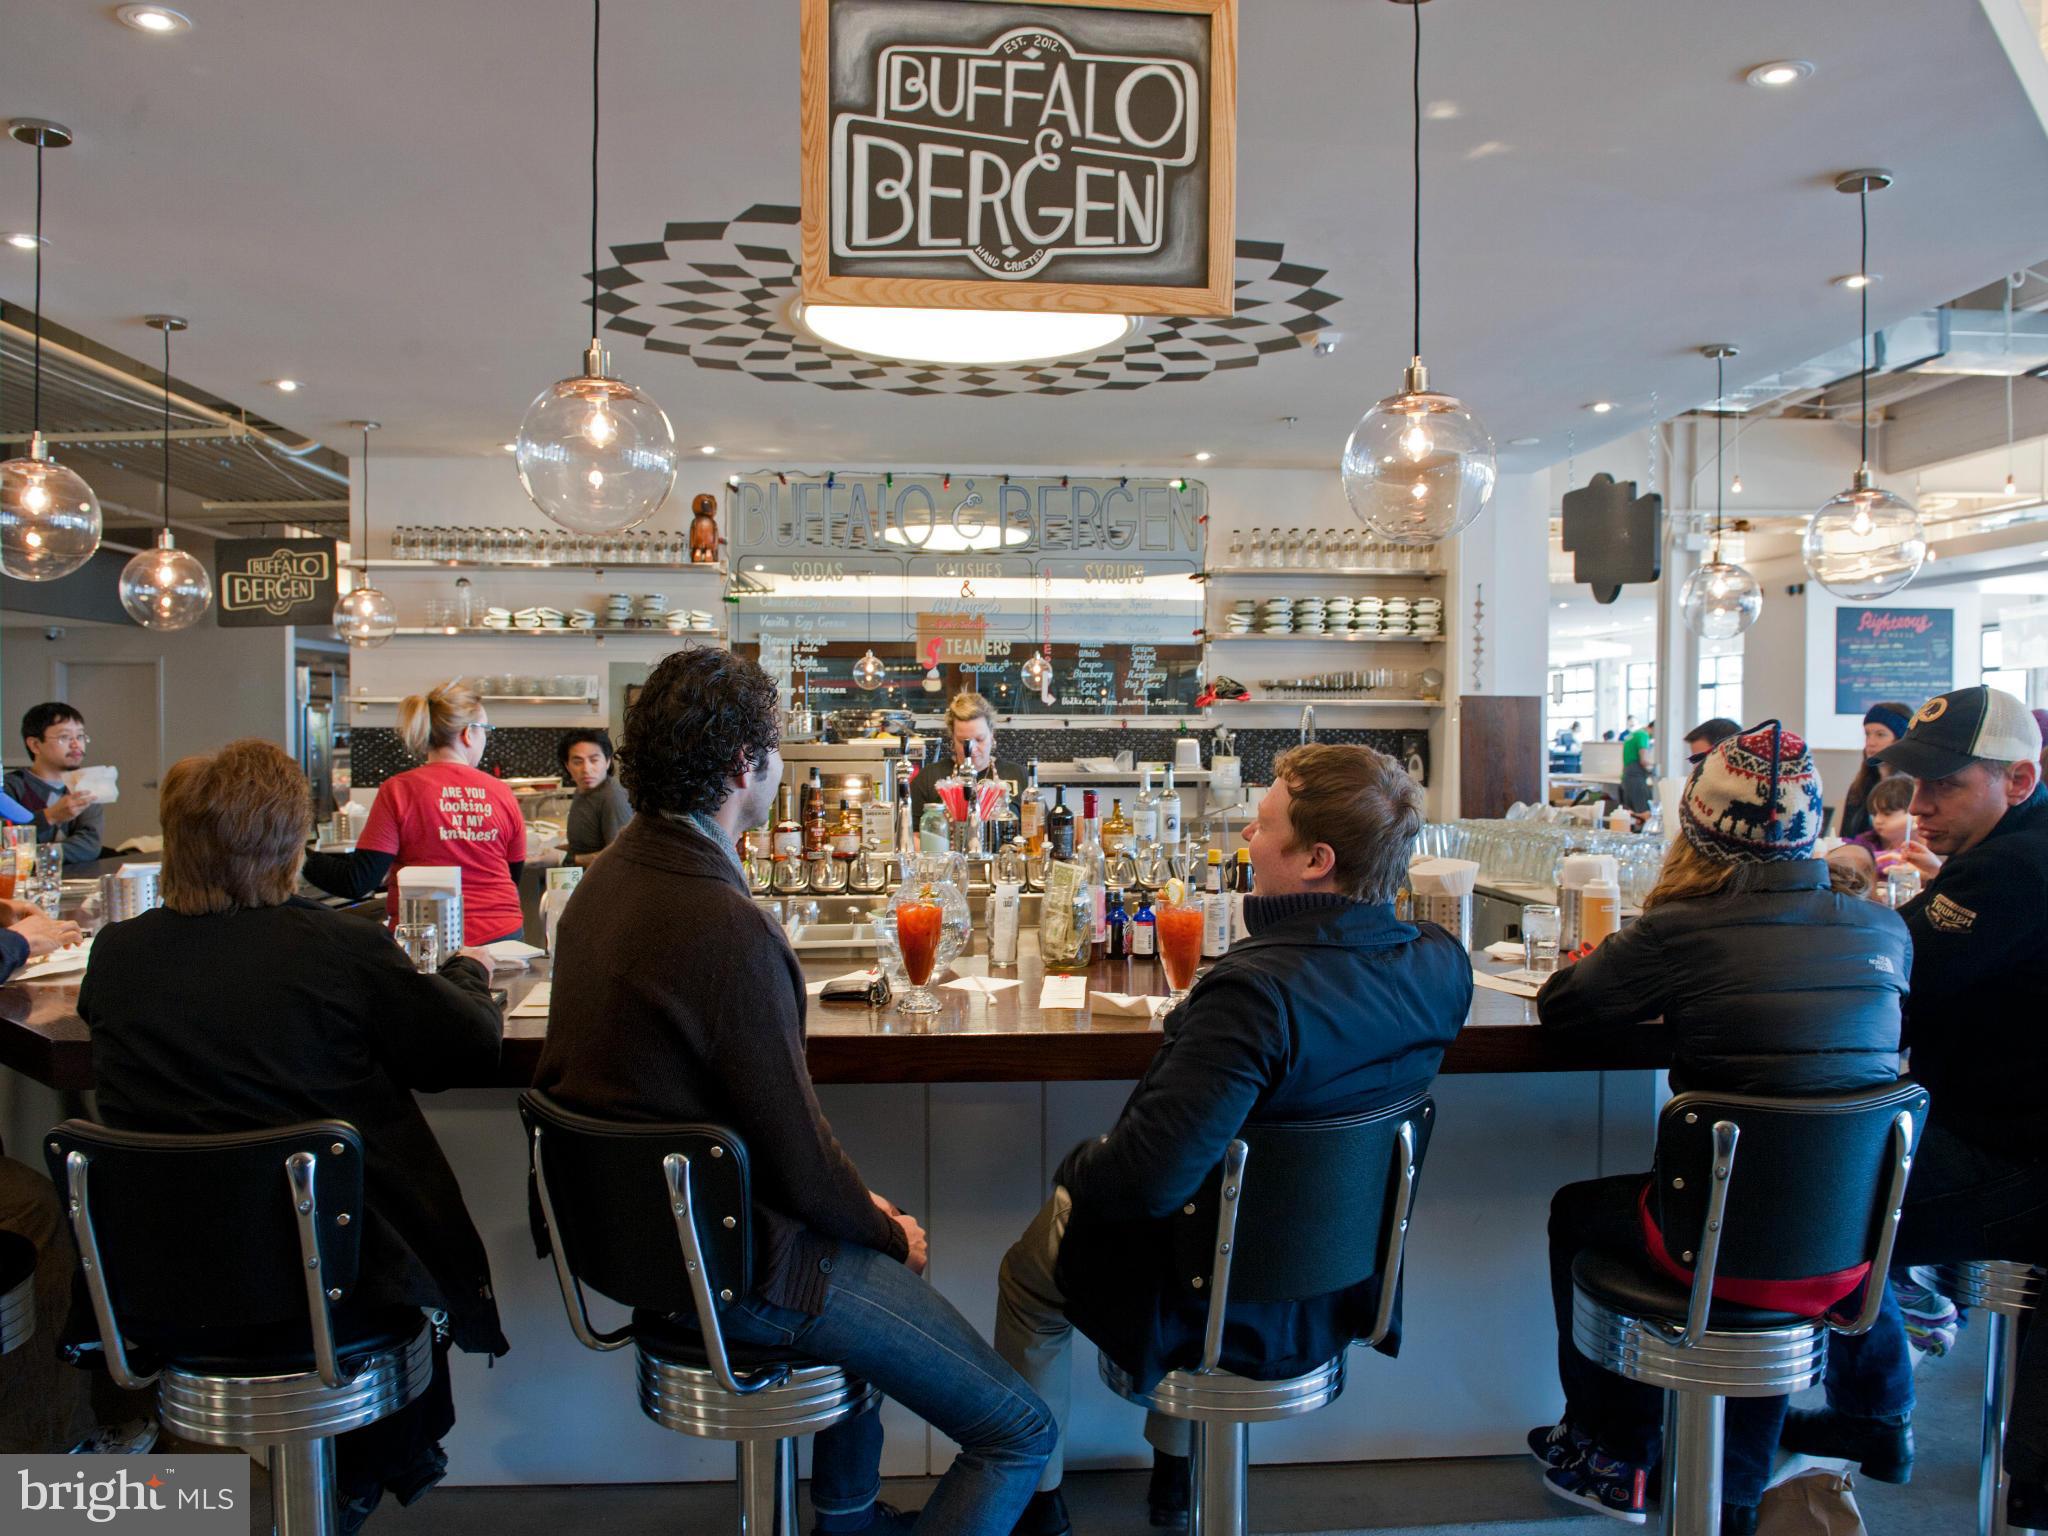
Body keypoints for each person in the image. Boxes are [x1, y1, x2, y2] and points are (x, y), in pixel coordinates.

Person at [535, 649, 1053, 1536]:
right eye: (774, 748)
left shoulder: (602, 885)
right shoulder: (725, 925)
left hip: (633, 1241)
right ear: (746, 765)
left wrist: (858, 1215)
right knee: (1019, 1430)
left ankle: (847, 1521)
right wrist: (882, 1230)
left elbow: (782, 1155)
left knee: (865, 1236)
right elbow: (799, 1161)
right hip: (742, 1266)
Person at [993, 743, 1473, 1536]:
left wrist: (1077, 1166)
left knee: (1032, 1272)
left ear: (1316, 860)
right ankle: (1179, 1472)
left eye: (1264, 823)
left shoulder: (1253, 992)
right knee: (1213, 1209)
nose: (1247, 835)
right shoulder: (1442, 966)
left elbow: (1144, 1183)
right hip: (1337, 1287)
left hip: (1211, 1298)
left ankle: (1032, 1505)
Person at [77, 739, 509, 1531]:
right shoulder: (338, 949)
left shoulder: (118, 955)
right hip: (333, 1290)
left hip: (163, 1285)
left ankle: (278, 1492)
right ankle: (352, 1483)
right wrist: (466, 972)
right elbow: (466, 1049)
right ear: (289, 844)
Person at [1530, 722, 1908, 1534]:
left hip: (1714, 1247)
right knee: (1784, 1195)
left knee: (1583, 1211)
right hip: (1849, 1248)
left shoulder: (1680, 931)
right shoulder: (1885, 930)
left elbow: (1563, 1011)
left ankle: (1611, 1451)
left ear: (1697, 829)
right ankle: (1784, 1464)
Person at [1782, 688, 2048, 1529]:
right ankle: (1872, 1408)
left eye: (1945, 786)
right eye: (1915, 782)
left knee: (1783, 1205)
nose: (1919, 805)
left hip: (2016, 1164)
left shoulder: (2014, 867)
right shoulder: (2010, 848)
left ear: (2019, 779)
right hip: (1999, 1133)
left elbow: (1892, 981)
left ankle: (1765, 1453)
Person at [304, 681, 527, 945]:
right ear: (469, 733)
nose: (485, 740)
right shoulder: (502, 792)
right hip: (501, 936)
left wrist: (297, 857)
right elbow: (512, 875)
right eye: (486, 731)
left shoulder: (398, 790)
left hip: (426, 942)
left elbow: (358, 880)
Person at [4, 703, 104, 865]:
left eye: (80, 736)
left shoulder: (85, 785)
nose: (76, 745)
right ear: (35, 745)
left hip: (76, 877)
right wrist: (50, 816)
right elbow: (7, 845)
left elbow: (89, 846)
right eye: (64, 737)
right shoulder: (10, 788)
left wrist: (38, 854)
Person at [908, 691, 1024, 823]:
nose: (972, 749)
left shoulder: (1017, 774)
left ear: (992, 735)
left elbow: (1035, 828)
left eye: (979, 739)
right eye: (964, 741)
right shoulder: (928, 778)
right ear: (952, 738)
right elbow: (913, 832)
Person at [1834, 701, 1913, 840]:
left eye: (1880, 735)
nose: (1870, 742)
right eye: (1867, 734)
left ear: (1901, 740)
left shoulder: (1913, 788)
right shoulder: (1860, 787)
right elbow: (1846, 837)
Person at [558, 728, 629, 865]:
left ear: (607, 762)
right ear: (567, 766)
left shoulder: (612, 797)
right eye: (578, 762)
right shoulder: (582, 789)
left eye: (594, 760)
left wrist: (564, 859)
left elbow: (619, 857)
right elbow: (582, 846)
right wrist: (552, 852)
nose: (586, 769)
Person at [1620, 718, 1655, 813]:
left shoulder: (1634, 734)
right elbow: (1643, 761)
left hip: (1627, 776)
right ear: (1654, 728)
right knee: (1644, 811)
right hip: (1636, 777)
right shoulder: (1644, 735)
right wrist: (1655, 768)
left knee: (1632, 813)